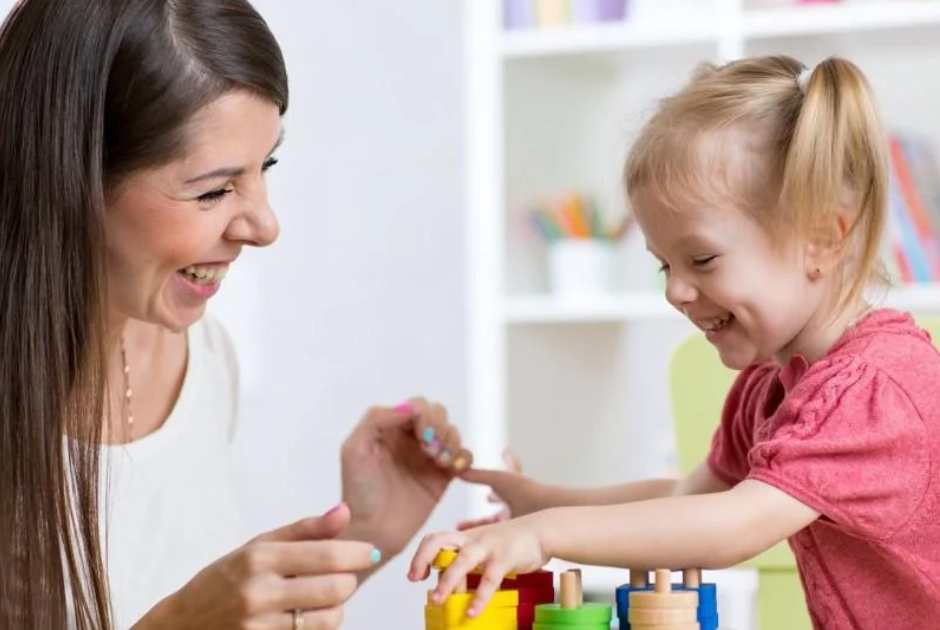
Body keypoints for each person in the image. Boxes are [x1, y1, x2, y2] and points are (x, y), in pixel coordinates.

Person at [408, 54, 940, 630]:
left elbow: (734, 525)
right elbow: (688, 501)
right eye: (665, 265)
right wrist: (541, 503)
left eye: (702, 259)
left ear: (821, 240)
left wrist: (543, 533)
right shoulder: (772, 390)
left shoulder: (873, 391)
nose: (676, 291)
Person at [0, 1, 473, 629]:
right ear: (69, 178)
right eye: (214, 190)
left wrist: (364, 533)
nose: (265, 226)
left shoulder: (204, 356)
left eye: (265, 166)